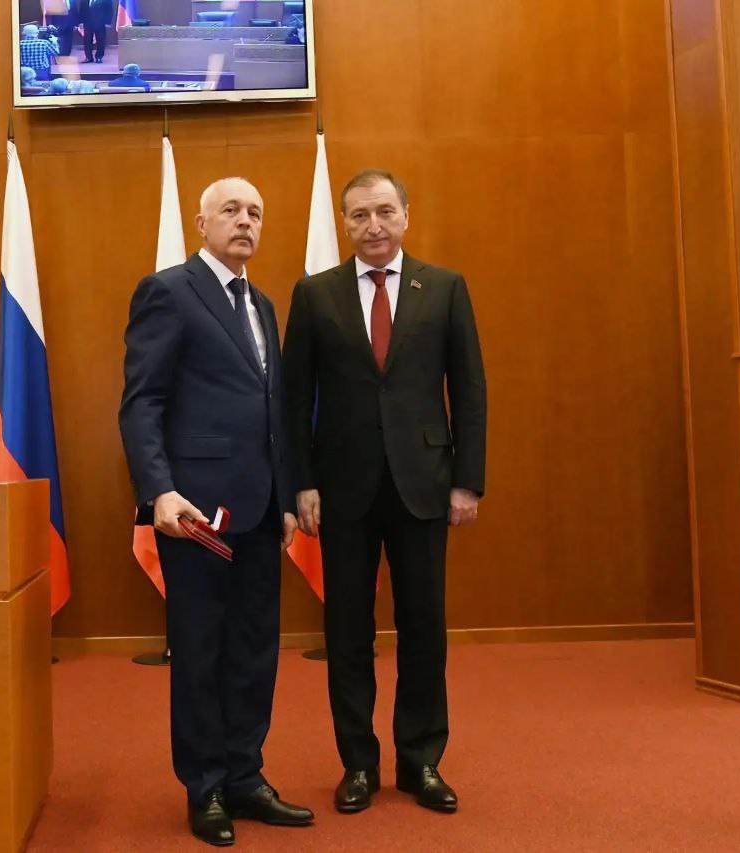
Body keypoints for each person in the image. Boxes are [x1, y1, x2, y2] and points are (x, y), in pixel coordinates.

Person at [282, 169, 487, 816]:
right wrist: (301, 482)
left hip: (424, 484)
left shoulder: (445, 287)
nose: (373, 225)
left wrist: (467, 480)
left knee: (424, 626)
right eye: (359, 215)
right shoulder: (314, 294)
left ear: (405, 215)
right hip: (341, 488)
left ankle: (421, 759)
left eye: (384, 212)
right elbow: (293, 400)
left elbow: (470, 390)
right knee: (347, 632)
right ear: (345, 223)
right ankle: (358, 763)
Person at [119, 177, 315, 846]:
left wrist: (285, 496)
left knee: (255, 651)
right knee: (201, 651)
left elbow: (273, 410)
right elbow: (141, 402)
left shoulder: (263, 303)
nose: (245, 221)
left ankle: (245, 775)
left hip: (259, 510)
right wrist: (159, 490)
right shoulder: (168, 292)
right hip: (195, 512)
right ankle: (204, 786)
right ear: (201, 223)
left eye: (255, 212)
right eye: (230, 210)